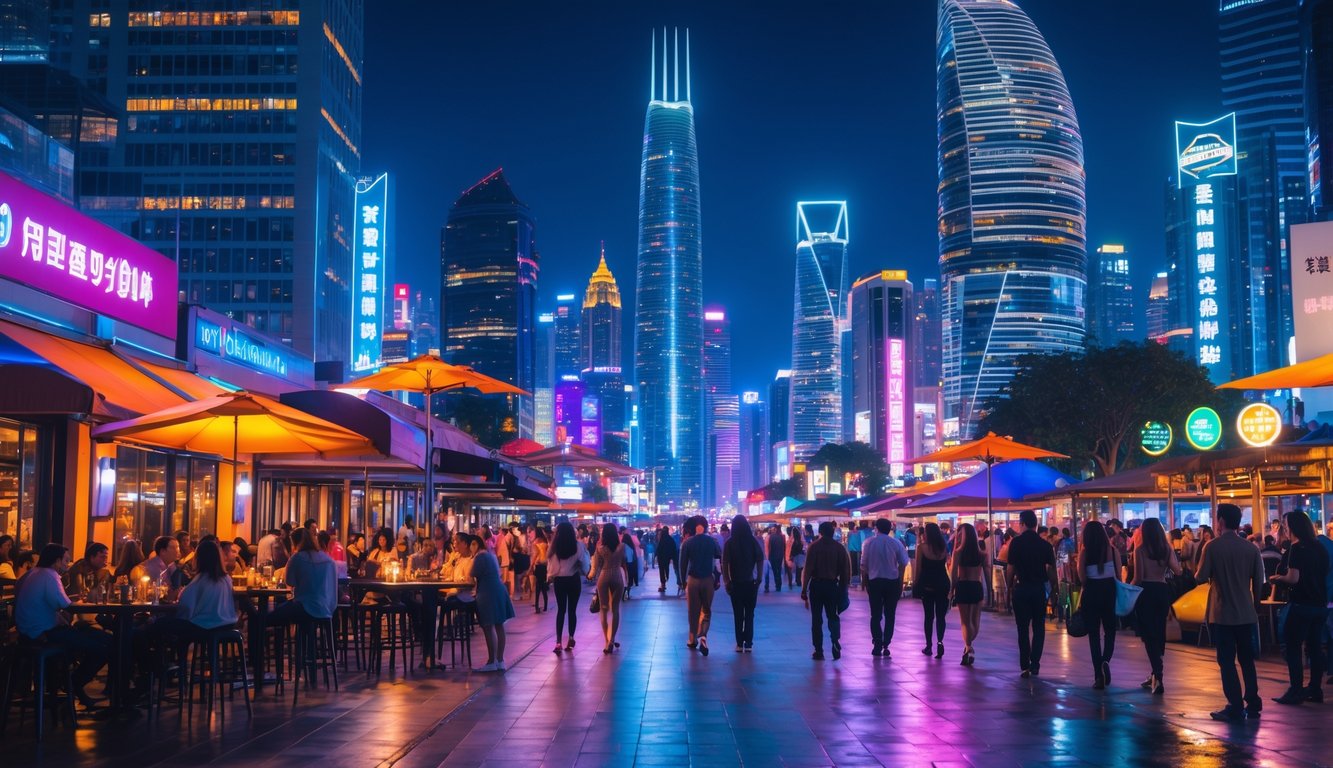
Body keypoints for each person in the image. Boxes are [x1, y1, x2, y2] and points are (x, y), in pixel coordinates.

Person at [14, 543, 111, 708]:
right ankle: (73, 683)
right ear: (56, 560)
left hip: (27, 632)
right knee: (104, 647)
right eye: (65, 560)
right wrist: (82, 602)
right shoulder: (50, 575)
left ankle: (68, 683)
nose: (67, 563)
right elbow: (66, 604)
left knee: (95, 636)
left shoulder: (34, 573)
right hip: (43, 633)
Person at [1196, 503, 1267, 721]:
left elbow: (1200, 577)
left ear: (1221, 521)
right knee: (1247, 659)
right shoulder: (1251, 548)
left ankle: (1235, 705)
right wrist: (1255, 605)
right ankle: (1253, 701)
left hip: (1223, 613)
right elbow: (1259, 583)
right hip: (1246, 613)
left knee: (1226, 661)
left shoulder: (1212, 546)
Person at [1268, 510, 1329, 705]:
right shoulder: (1320, 547)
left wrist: (1277, 578)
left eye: (1285, 525)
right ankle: (1315, 689)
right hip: (1319, 604)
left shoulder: (1296, 549)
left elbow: (1293, 578)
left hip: (1301, 603)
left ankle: (1295, 690)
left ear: (1291, 527)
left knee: (1293, 647)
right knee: (1314, 647)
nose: (1284, 528)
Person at [1130, 517, 1181, 695]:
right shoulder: (1166, 549)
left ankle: (1158, 676)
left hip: (1146, 592)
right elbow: (1178, 571)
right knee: (1159, 631)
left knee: (1148, 634)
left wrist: (1127, 589)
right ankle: (1154, 673)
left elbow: (1138, 577)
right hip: (1162, 591)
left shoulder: (1140, 550)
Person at [1005, 509, 1059, 678]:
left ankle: (1024, 665)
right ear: (1035, 525)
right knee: (1038, 627)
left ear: (1023, 524)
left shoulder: (1016, 543)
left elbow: (1010, 569)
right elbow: (1051, 570)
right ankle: (1035, 663)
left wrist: (1009, 587)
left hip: (1021, 589)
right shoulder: (1045, 545)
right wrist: (1055, 589)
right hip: (1038, 589)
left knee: (1022, 628)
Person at [1075, 520, 1120, 689]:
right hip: (1109, 591)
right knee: (1110, 630)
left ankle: (1098, 676)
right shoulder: (1112, 550)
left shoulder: (1085, 553)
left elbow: (1082, 578)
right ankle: (1106, 660)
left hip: (1091, 592)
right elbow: (1119, 576)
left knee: (1094, 635)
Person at [801, 521, 850, 660]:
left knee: (816, 619)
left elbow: (808, 569)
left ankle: (818, 650)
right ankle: (835, 640)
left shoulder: (814, 547)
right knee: (833, 616)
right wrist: (843, 590)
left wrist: (804, 589)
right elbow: (845, 572)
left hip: (816, 586)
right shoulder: (839, 548)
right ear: (833, 532)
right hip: (832, 586)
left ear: (820, 532)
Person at [862, 517, 909, 658]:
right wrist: (900, 579)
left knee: (875, 615)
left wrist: (866, 583)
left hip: (875, 581)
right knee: (890, 614)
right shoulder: (896, 543)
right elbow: (903, 562)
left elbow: (863, 566)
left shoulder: (868, 543)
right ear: (890, 529)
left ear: (876, 528)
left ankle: (877, 642)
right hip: (892, 582)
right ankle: (886, 642)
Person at [270, 529, 337, 627]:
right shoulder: (329, 560)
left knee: (270, 616)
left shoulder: (297, 557)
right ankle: (306, 640)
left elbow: (289, 582)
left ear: (295, 543)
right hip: (327, 609)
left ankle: (274, 641)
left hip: (304, 608)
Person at [470, 528, 514, 673]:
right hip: (499, 590)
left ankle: (491, 661)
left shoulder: (480, 557)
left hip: (488, 592)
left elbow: (472, 575)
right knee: (499, 626)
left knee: (488, 627)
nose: (471, 547)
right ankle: (500, 660)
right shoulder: (490, 554)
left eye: (473, 544)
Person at [679, 517, 722, 656]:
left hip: (693, 580)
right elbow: (717, 560)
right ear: (705, 527)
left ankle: (692, 640)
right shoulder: (712, 541)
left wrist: (682, 582)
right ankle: (703, 636)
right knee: (706, 610)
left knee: (693, 611)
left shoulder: (687, 543)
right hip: (708, 579)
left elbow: (682, 564)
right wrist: (718, 578)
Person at [722, 515, 763, 652]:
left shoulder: (729, 543)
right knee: (750, 614)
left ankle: (739, 643)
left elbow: (724, 563)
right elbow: (760, 558)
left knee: (738, 614)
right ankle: (749, 643)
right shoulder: (752, 541)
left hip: (735, 584)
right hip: (750, 583)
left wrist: (727, 580)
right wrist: (760, 577)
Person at [548, 522, 588, 653]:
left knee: (561, 610)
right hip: (574, 580)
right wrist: (585, 572)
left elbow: (552, 568)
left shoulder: (554, 547)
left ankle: (558, 642)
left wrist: (550, 577)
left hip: (560, 581)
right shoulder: (578, 546)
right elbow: (584, 565)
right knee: (572, 610)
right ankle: (571, 637)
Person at [950, 523, 986, 667]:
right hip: (976, 586)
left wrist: (951, 590)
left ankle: (968, 646)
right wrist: (989, 590)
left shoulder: (958, 552)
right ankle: (968, 647)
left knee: (965, 621)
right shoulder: (982, 554)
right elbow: (987, 575)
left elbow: (953, 574)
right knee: (975, 621)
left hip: (963, 585)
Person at [914, 522, 951, 659]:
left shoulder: (921, 548)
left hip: (928, 584)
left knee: (928, 616)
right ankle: (940, 642)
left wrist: (916, 585)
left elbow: (918, 569)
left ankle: (929, 646)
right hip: (943, 583)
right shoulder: (943, 548)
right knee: (941, 616)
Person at [589, 523, 627, 654]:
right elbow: (624, 561)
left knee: (603, 609)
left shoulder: (600, 548)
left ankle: (606, 641)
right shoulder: (622, 547)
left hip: (604, 577)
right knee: (615, 609)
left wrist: (590, 575)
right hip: (617, 576)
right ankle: (612, 639)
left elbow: (596, 565)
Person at [532, 527, 550, 613]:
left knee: (538, 587)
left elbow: (535, 554)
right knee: (543, 586)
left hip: (538, 564)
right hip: (545, 564)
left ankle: (537, 606)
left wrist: (531, 566)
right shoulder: (545, 541)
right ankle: (546, 606)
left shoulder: (535, 541)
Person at [764, 525, 787, 593]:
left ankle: (777, 585)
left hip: (772, 556)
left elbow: (767, 548)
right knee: (778, 570)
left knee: (775, 571)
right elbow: (784, 546)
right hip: (780, 556)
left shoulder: (769, 537)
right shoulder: (782, 536)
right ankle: (778, 585)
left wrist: (768, 557)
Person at [656, 524, 678, 594]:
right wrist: (673, 558)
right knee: (666, 569)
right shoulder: (670, 539)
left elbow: (658, 549)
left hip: (661, 558)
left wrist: (656, 556)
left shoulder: (661, 539)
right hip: (667, 558)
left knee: (661, 571)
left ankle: (663, 584)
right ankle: (666, 578)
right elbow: (674, 549)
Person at [620, 530, 639, 599]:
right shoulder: (630, 547)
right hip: (628, 566)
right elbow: (630, 559)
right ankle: (626, 595)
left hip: (621, 566)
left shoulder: (621, 545)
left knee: (624, 581)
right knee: (628, 582)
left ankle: (623, 595)